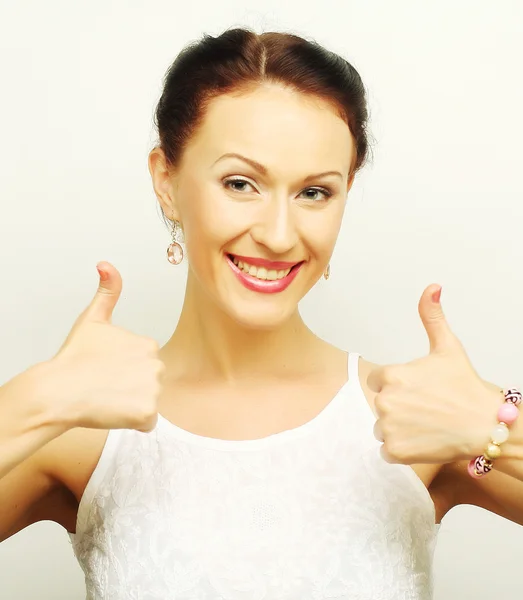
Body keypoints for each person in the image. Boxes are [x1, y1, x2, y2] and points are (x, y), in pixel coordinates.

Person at [1, 26, 522, 600]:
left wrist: (495, 425)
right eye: (240, 183)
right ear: (166, 180)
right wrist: (38, 400)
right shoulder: (83, 429)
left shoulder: (416, 419)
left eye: (315, 193)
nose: (278, 234)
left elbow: (488, 428)